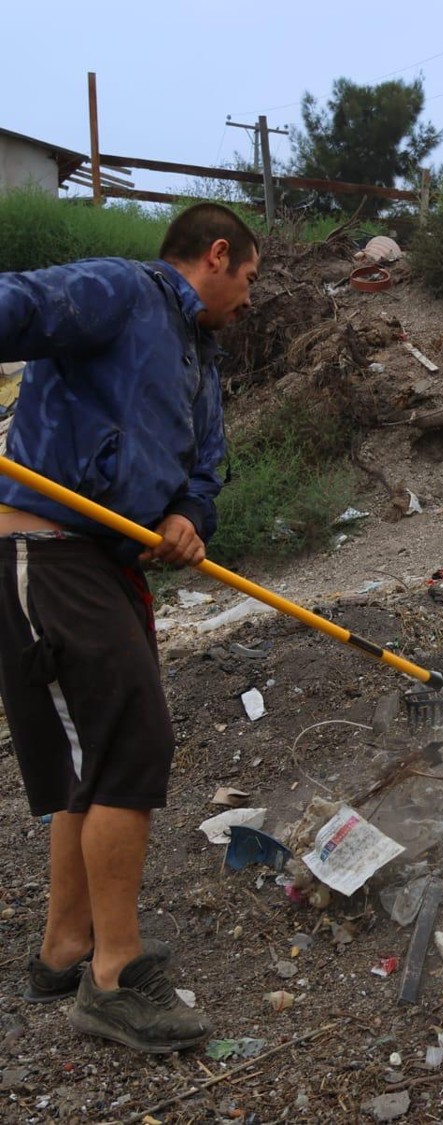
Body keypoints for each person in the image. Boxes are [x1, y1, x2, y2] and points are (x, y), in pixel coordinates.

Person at [0, 203, 258, 1053]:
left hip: (106, 564)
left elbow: (204, 469)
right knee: (131, 743)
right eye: (249, 280)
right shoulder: (120, 290)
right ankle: (113, 978)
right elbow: (16, 307)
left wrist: (190, 516)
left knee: (94, 758)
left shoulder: (201, 358)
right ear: (217, 256)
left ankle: (64, 948)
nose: (248, 301)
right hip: (48, 546)